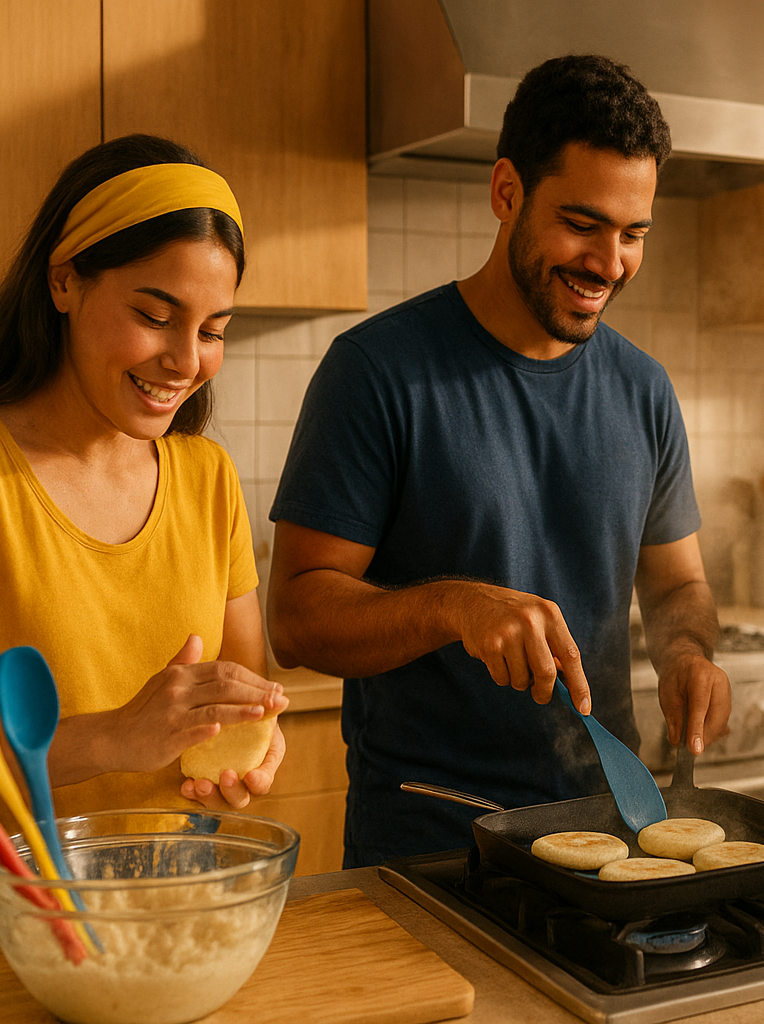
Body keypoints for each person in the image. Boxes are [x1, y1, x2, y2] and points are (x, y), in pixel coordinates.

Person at [266, 54, 731, 867]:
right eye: (582, 224)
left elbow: (678, 585)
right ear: (506, 192)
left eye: (633, 234)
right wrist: (454, 607)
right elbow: (298, 618)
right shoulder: (377, 372)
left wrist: (688, 652)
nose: (609, 262)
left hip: (611, 836)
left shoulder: (644, 389)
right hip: (430, 847)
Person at [0, 133, 287, 821]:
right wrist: (116, 736)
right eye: (154, 316)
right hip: (5, 897)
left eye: (212, 330)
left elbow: (242, 685)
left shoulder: (209, 479)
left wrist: (251, 744)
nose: (184, 360)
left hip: (182, 880)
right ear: (64, 280)